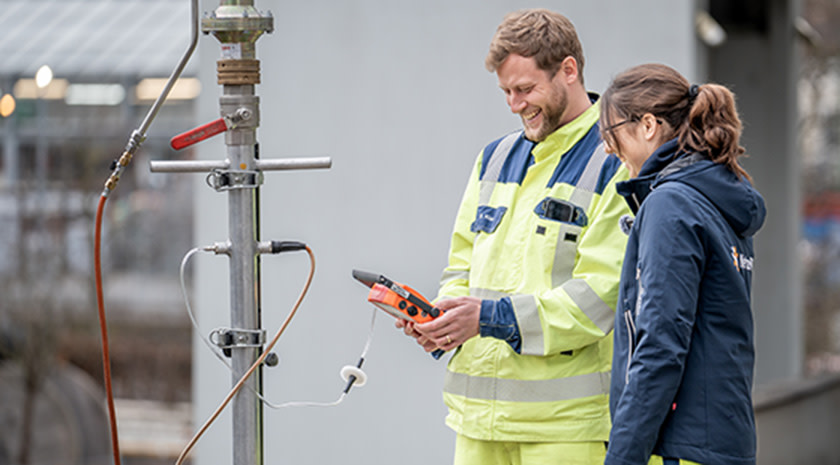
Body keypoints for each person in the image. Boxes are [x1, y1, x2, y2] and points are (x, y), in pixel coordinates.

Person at [398, 9, 631, 465]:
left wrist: (487, 318)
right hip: (476, 422)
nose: (514, 104)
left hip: (565, 428)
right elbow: (461, 265)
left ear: (569, 70)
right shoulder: (494, 157)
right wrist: (443, 320)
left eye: (525, 89)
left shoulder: (616, 161)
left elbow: (601, 297)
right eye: (506, 91)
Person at [599, 63, 765, 465]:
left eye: (610, 133)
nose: (607, 148)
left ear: (649, 126)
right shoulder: (718, 203)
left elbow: (659, 345)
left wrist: (622, 456)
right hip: (722, 442)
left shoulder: (670, 204)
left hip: (680, 447)